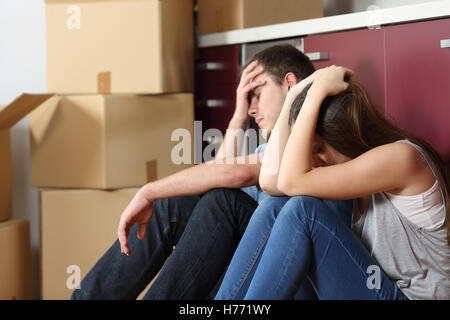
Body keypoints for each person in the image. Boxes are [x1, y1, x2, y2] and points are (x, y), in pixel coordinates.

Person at [71, 44, 326, 300]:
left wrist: (148, 191)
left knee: (223, 202)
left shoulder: (308, 139)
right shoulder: (268, 145)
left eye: (257, 94)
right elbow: (219, 177)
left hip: (288, 276)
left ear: (290, 84)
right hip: (253, 259)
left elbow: (233, 176)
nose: (251, 107)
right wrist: (237, 117)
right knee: (174, 205)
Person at [215, 65, 450, 300]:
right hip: (373, 283)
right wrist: (294, 96)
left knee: (303, 211)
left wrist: (315, 94)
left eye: (318, 150)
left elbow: (289, 181)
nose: (313, 162)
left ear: (345, 134)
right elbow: (271, 181)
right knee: (274, 207)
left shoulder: (403, 158)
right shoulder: (355, 172)